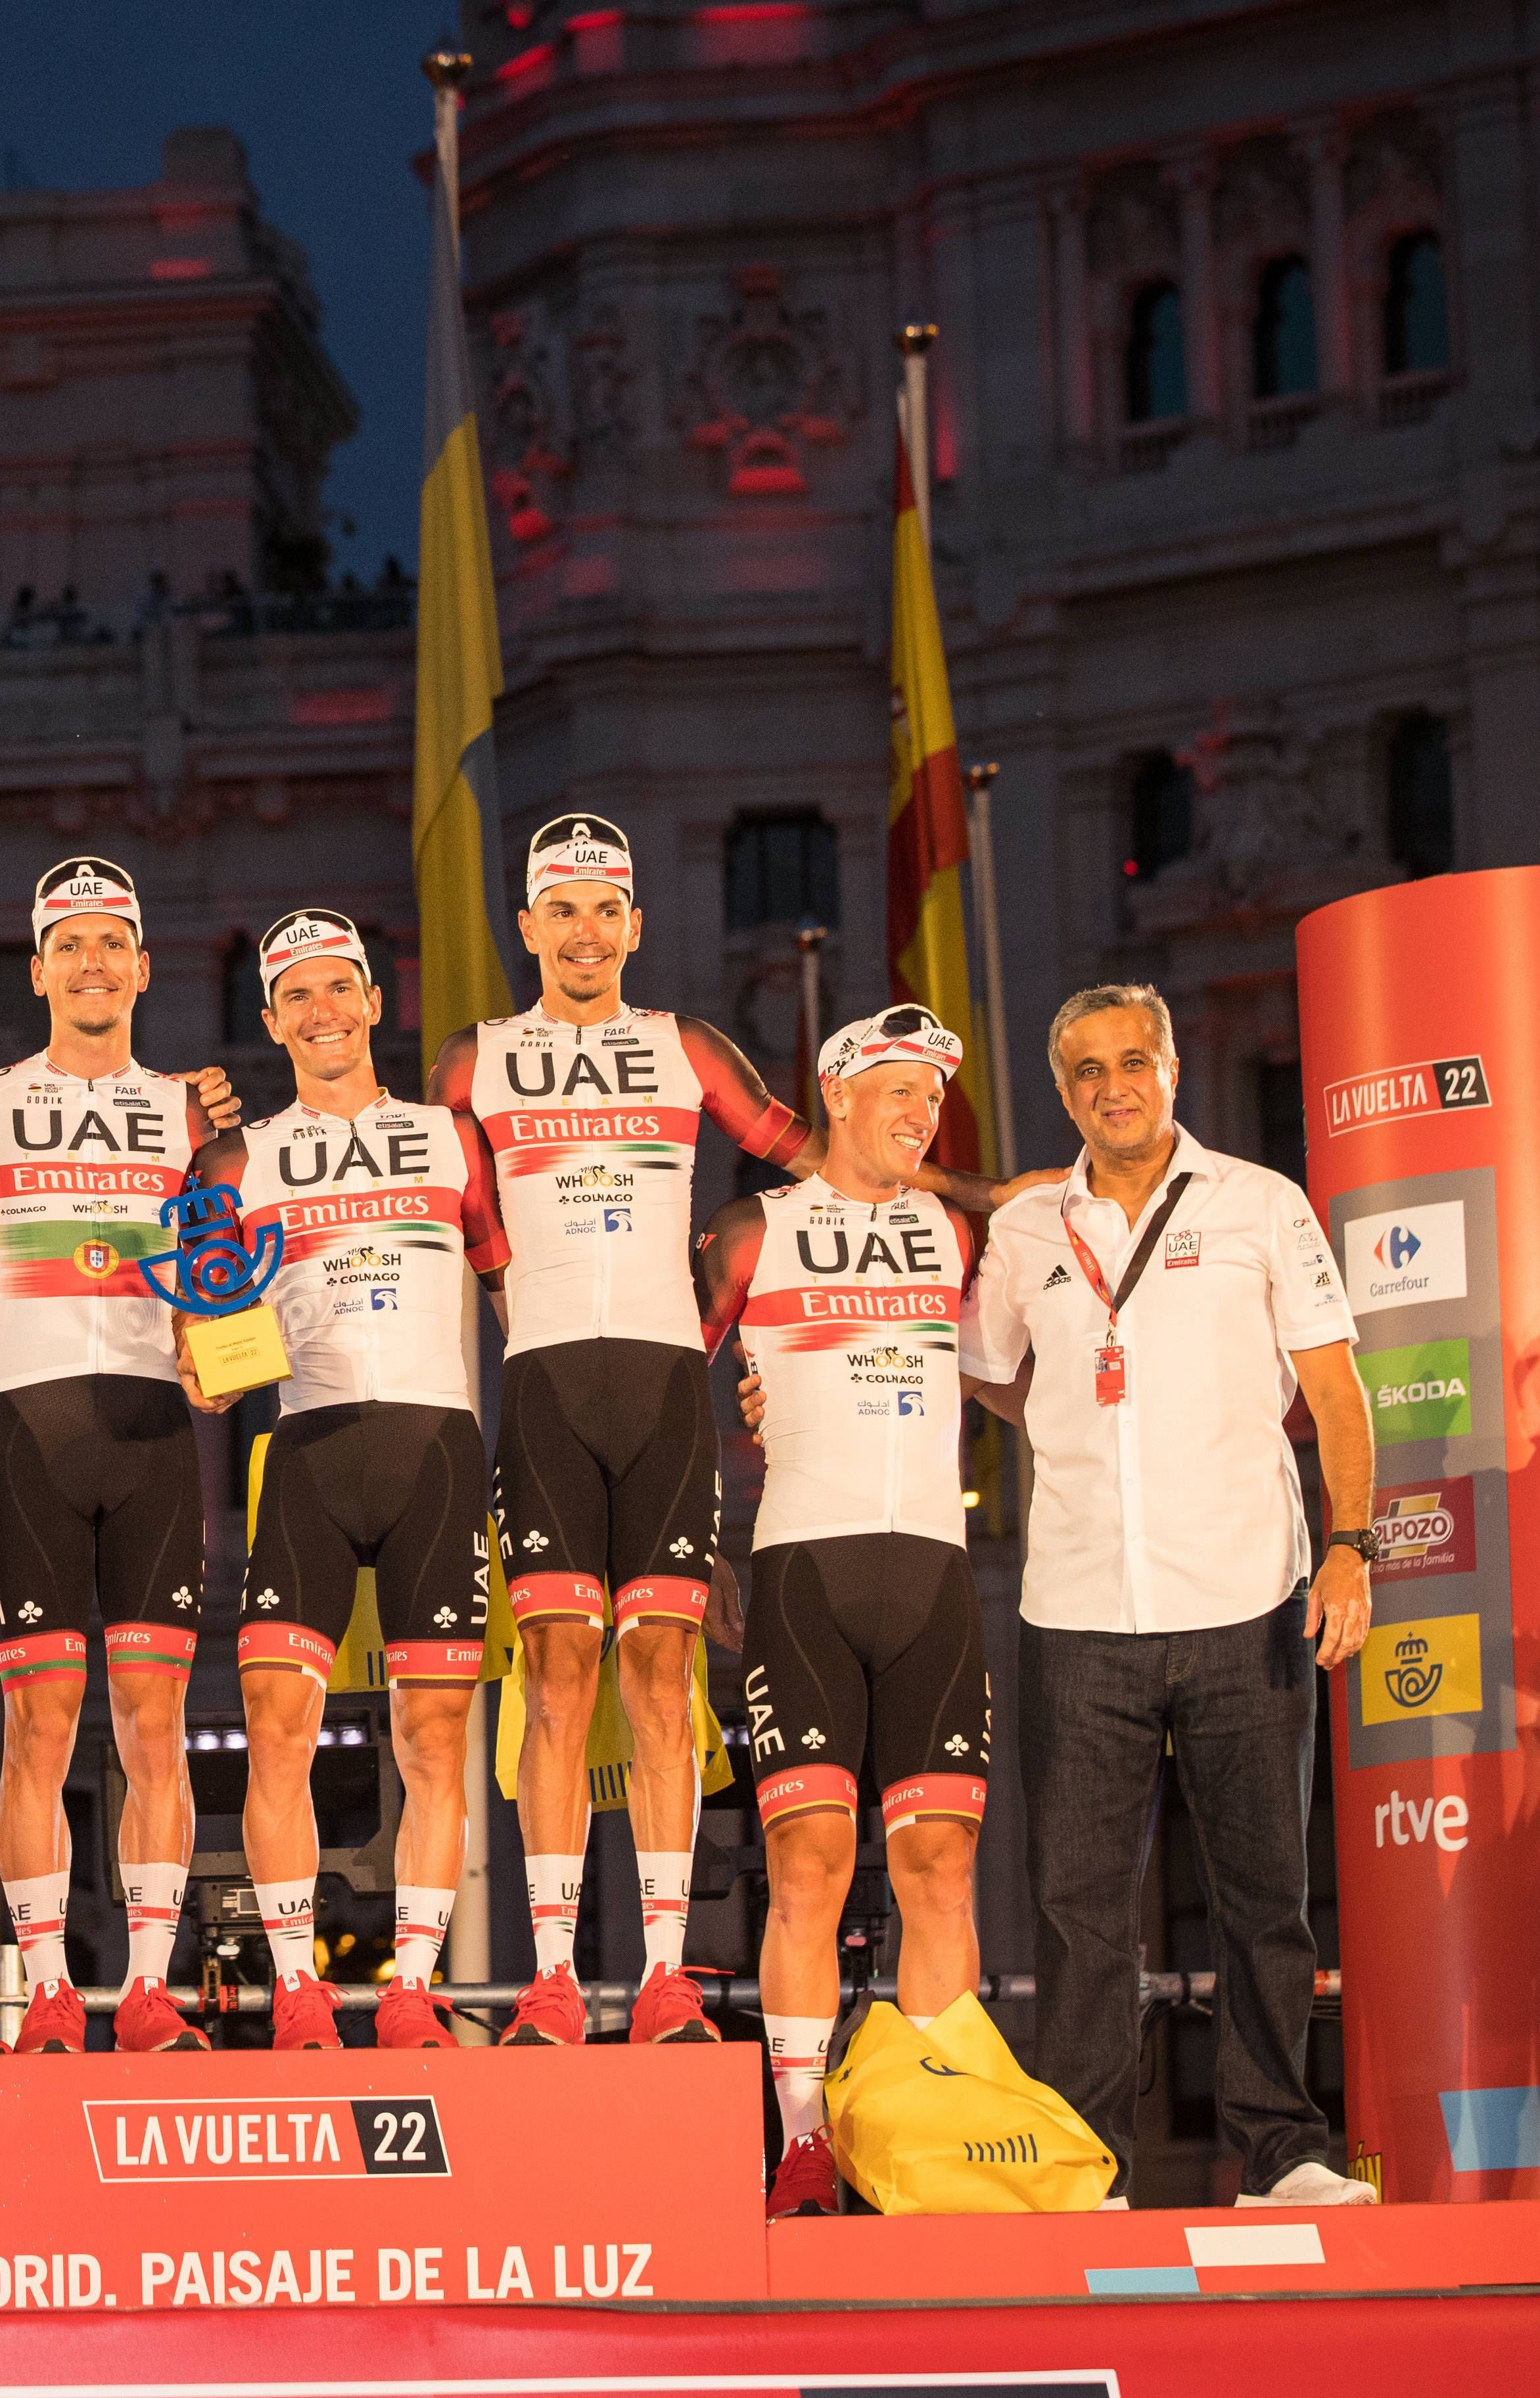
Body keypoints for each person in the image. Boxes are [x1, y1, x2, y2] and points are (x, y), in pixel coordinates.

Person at [436, 813, 1008, 2046]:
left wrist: (973, 1190)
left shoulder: (686, 1046)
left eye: (607, 909)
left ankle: (659, 1974)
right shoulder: (471, 1057)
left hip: (662, 1393)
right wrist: (502, 1293)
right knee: (556, 1675)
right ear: (526, 927)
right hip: (543, 1388)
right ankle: (547, 1971)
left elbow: (815, 1157)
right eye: (562, 909)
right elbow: (440, 1187)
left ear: (636, 927)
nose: (586, 932)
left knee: (659, 1674)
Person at [960, 983, 1380, 2209]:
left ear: (1175, 1067)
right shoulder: (1033, 1230)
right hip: (1078, 1610)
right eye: (1085, 1071)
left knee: (1265, 1901)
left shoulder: (1261, 1204)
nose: (1112, 1086)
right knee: (1077, 1913)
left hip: (1247, 1595)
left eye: (1132, 1060)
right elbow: (991, 1373)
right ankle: (1085, 2167)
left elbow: (1339, 1396)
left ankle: (1282, 2153)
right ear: (1064, 1092)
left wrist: (1350, 1545)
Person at [186, 908, 507, 2052]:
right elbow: (209, 1344)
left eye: (342, 990)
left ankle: (414, 1987)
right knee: (278, 1729)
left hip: (436, 1451)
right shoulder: (232, 1163)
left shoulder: (453, 1137)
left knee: (432, 1736)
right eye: (298, 997)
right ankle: (299, 1992)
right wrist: (207, 1367)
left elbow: (518, 1294)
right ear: (271, 1021)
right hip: (310, 1447)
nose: (324, 1013)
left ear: (376, 1003)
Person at [699, 1006, 992, 2216]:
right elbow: (677, 1377)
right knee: (809, 1865)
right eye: (898, 1091)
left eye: (932, 1096)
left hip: (934, 1575)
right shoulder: (754, 1230)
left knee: (941, 1867)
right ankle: (805, 2144)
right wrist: (705, 1543)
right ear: (836, 1094)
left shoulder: (953, 1233)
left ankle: (939, 2128)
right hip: (805, 1576)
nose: (920, 1113)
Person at [0, 857, 223, 2054]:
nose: (95, 963)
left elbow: (225, 1282)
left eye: (115, 942)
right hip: (31, 1431)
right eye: (72, 944)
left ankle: (152, 1991)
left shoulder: (193, 1113)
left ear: (144, 969)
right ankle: (52, 1991)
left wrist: (228, 1356)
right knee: (40, 1721)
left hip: (158, 1428)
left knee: (156, 1718)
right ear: (40, 968)